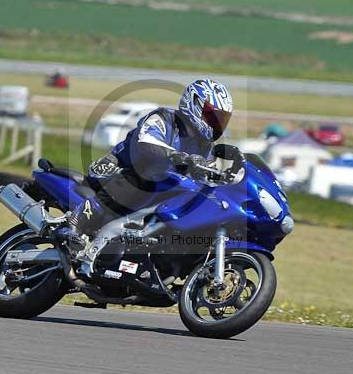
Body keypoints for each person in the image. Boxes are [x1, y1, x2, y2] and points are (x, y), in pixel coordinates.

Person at [53, 79, 234, 259]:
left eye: (221, 119)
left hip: (161, 186)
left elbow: (204, 175)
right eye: (212, 116)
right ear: (193, 104)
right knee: (147, 174)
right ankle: (74, 222)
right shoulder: (164, 118)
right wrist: (178, 156)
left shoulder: (205, 146)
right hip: (118, 168)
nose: (216, 124)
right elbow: (146, 143)